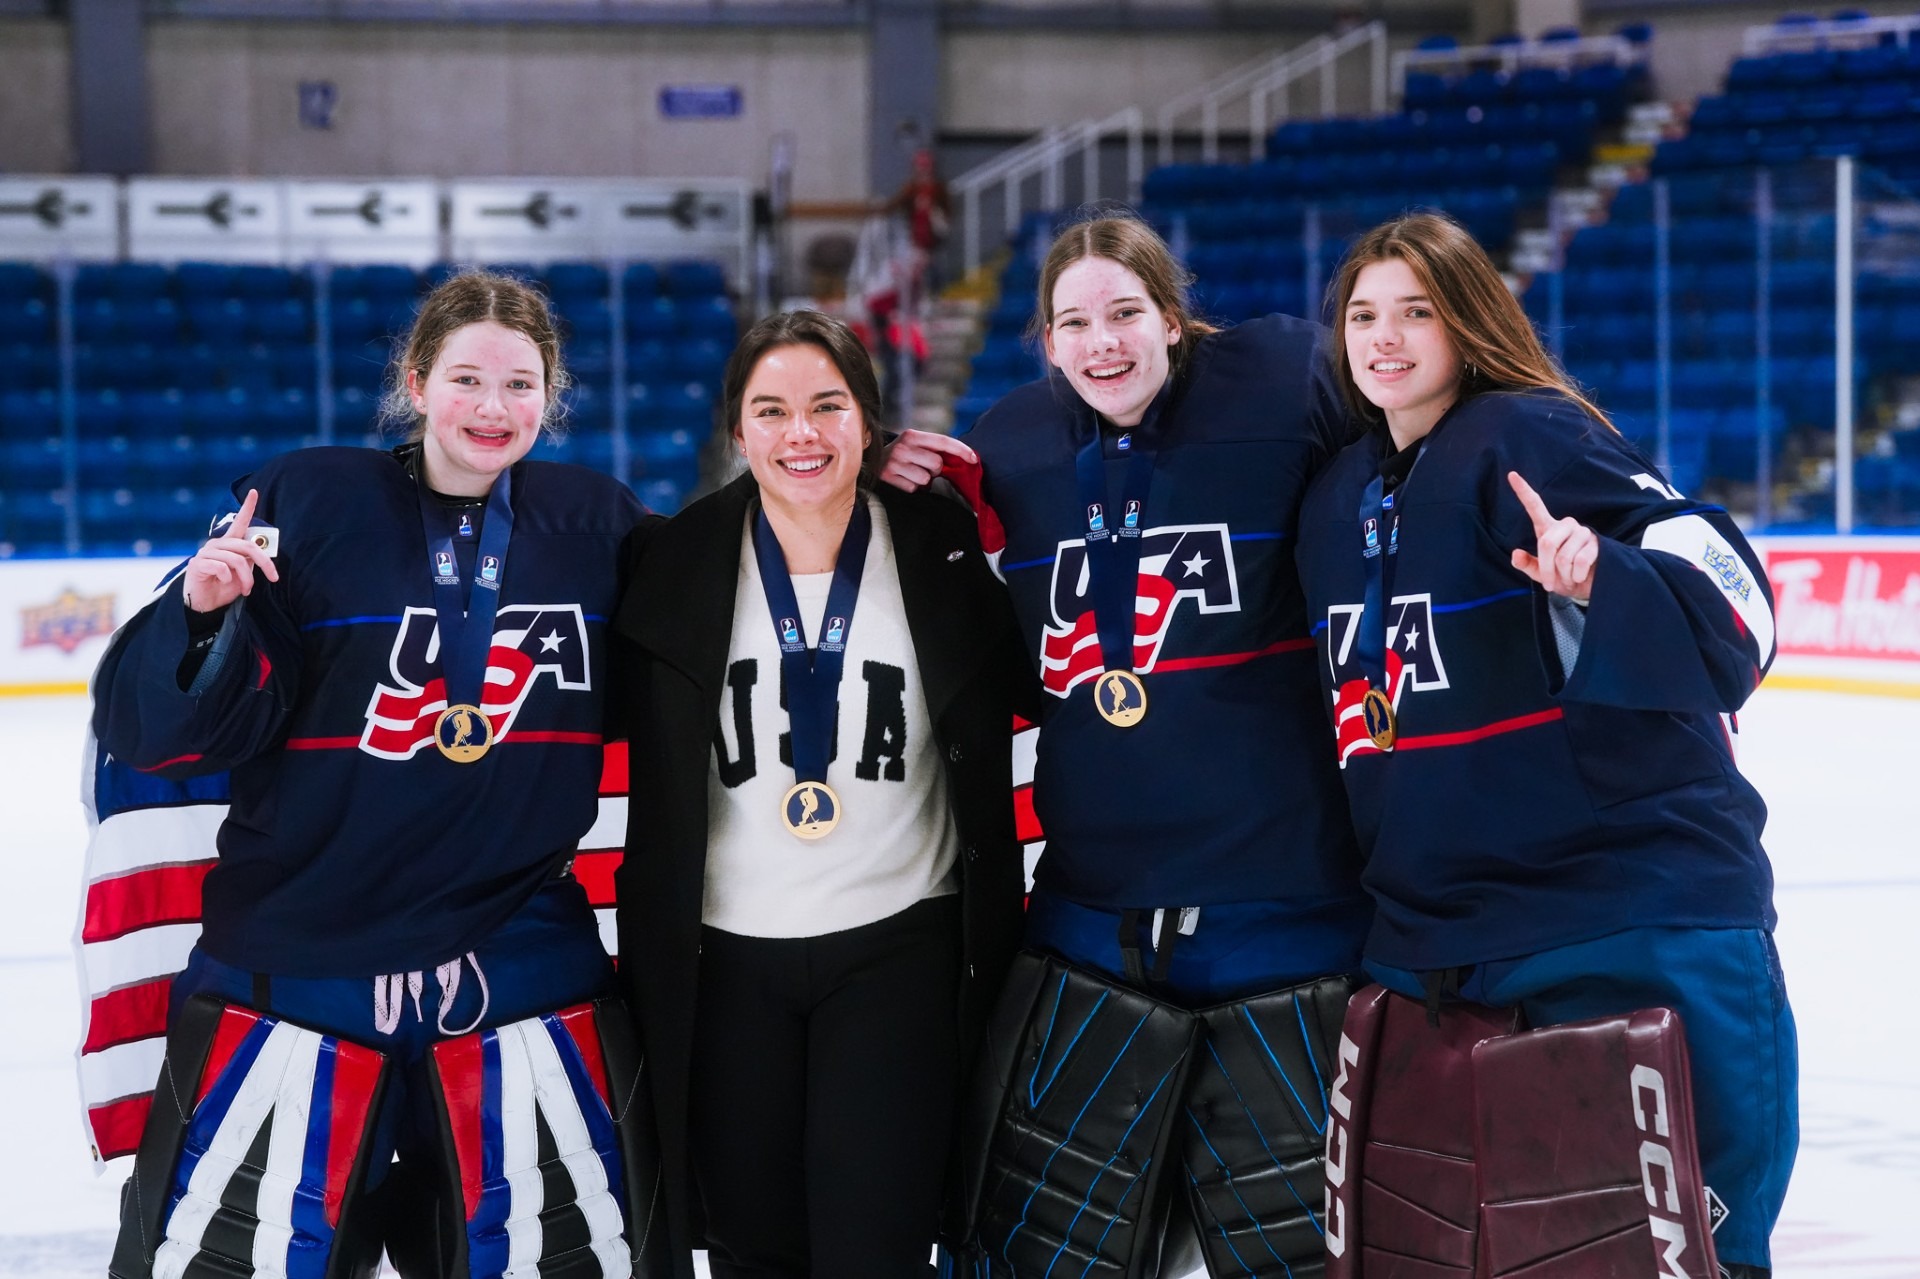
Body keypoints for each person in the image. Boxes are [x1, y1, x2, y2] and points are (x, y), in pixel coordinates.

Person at [93, 270, 672, 1278]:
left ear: (553, 395)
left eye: (521, 384)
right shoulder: (309, 501)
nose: (493, 408)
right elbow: (164, 732)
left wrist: (871, 478)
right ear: (415, 381)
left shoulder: (596, 524)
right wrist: (199, 613)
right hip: (300, 967)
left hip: (517, 966)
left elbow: (744, 591)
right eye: (467, 379)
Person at [1297, 212, 1797, 1278]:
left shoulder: (1533, 436)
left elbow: (1741, 610)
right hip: (1437, 953)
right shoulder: (1336, 497)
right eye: (1363, 316)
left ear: (1470, 321)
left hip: (1623, 926)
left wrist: (1607, 579)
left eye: (1417, 312)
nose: (1385, 338)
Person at [881, 215, 1372, 1276]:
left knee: (1309, 1256)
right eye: (1073, 322)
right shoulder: (1011, 441)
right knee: (1040, 1254)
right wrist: (874, 471)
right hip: (1092, 920)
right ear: (1045, 341)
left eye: (1124, 314)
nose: (1103, 342)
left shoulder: (1285, 378)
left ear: (1174, 318)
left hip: (1285, 905)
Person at [610, 309, 1035, 1278]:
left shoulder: (941, 545)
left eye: (826, 406)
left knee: (876, 1250)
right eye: (771, 410)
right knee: (758, 1252)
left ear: (870, 421)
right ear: (738, 432)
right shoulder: (673, 559)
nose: (800, 434)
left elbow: (1036, 679)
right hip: (727, 971)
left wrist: (1002, 535)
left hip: (897, 958)